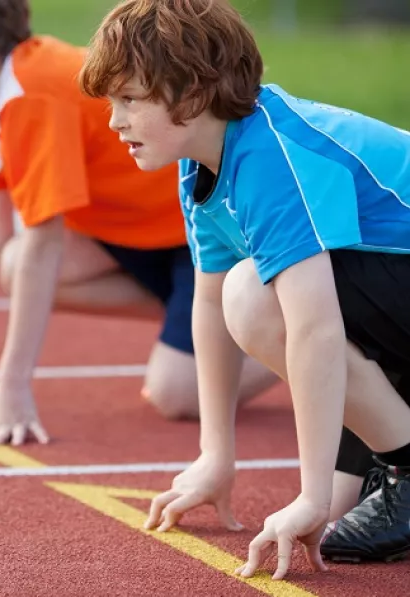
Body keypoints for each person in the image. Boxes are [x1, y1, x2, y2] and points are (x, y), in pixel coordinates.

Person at [79, 0, 410, 579]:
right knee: (239, 293)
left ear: (190, 93)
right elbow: (206, 306)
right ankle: (396, 461)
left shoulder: (270, 154)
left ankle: (403, 465)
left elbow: (314, 326)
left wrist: (308, 496)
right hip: (390, 287)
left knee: (254, 295)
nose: (114, 121)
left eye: (129, 99)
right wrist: (216, 456)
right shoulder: (201, 160)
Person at [0, 0, 277, 446]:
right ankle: (191, 313)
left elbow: (44, 243)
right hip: (131, 233)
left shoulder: (32, 91)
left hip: (197, 232)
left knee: (177, 395)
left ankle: (298, 339)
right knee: (12, 265)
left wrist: (12, 386)